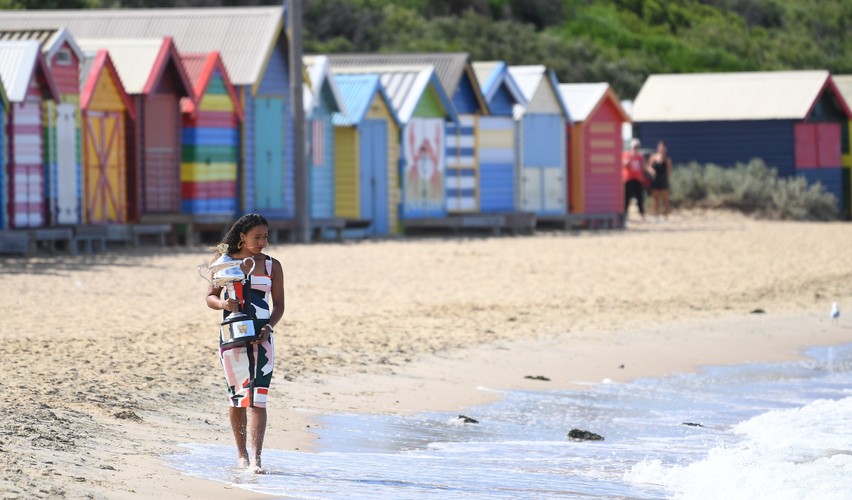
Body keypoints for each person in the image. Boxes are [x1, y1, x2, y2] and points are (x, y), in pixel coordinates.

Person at [205, 213, 284, 473]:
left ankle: (257, 459)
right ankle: (242, 456)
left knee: (259, 398)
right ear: (242, 236)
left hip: (263, 337)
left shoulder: (273, 266)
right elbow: (210, 297)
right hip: (232, 337)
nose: (262, 242)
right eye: (256, 237)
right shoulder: (223, 263)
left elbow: (280, 305)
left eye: (265, 237)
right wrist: (223, 304)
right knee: (238, 397)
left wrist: (269, 327)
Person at [623, 138, 649, 222]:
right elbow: (624, 164)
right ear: (631, 147)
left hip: (638, 179)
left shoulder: (640, 156)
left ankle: (642, 215)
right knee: (627, 198)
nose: (635, 149)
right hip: (628, 179)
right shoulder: (627, 154)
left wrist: (643, 164)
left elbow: (643, 167)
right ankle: (625, 215)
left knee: (640, 198)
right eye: (634, 147)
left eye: (637, 147)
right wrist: (629, 160)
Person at [648, 140, 672, 221]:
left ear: (665, 149)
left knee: (665, 200)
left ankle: (666, 217)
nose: (661, 149)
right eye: (660, 147)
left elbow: (668, 171)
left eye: (663, 147)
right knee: (655, 200)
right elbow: (648, 166)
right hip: (655, 180)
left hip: (663, 180)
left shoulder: (667, 159)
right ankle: (655, 217)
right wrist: (651, 171)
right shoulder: (653, 157)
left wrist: (667, 180)